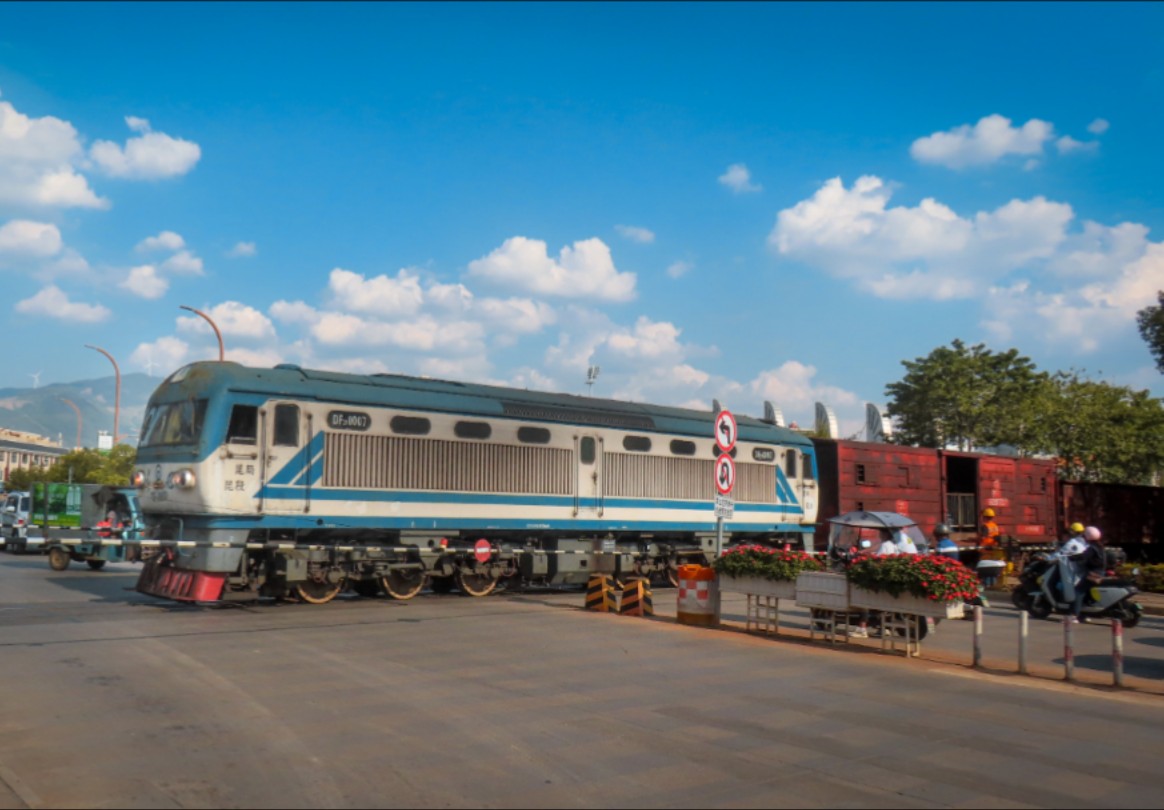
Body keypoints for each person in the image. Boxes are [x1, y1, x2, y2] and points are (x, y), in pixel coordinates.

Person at [1070, 526, 1106, 623]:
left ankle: (1075, 615)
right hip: (1101, 572)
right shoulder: (1100, 546)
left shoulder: (1092, 548)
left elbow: (1083, 556)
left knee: (1078, 590)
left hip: (1094, 574)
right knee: (1086, 592)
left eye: (1085, 536)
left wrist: (1072, 557)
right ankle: (1084, 614)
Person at [979, 507, 1002, 586]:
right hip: (993, 548)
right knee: (992, 567)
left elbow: (983, 537)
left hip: (986, 549)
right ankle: (993, 584)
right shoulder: (995, 526)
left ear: (985, 517)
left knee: (985, 568)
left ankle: (987, 584)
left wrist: (972, 539)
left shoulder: (985, 526)